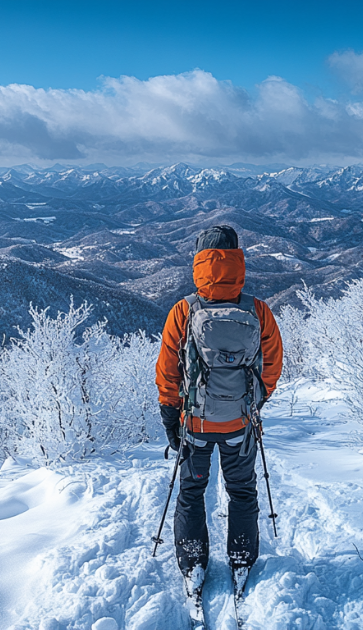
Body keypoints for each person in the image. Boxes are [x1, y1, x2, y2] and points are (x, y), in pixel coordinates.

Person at [154, 225, 283, 592]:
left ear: (199, 263)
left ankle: (193, 560)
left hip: (195, 423)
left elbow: (168, 370)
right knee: (242, 491)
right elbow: (272, 364)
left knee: (192, 493)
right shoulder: (258, 311)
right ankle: (242, 557)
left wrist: (170, 413)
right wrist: (255, 402)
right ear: (238, 261)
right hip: (240, 424)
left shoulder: (184, 310)